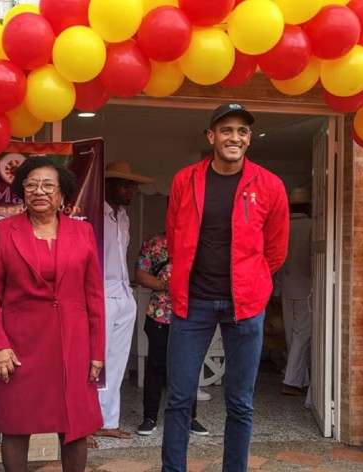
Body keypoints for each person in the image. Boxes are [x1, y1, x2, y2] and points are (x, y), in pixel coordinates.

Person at [163, 103, 289, 472]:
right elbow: (174, 237)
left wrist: (255, 285)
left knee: (240, 402)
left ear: (249, 139)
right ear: (211, 136)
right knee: (180, 398)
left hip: (245, 307)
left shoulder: (269, 185)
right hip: (193, 304)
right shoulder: (185, 180)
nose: (235, 137)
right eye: (227, 130)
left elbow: (276, 249)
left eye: (242, 131)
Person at [0, 156, 105, 471]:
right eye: (32, 185)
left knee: (74, 426)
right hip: (19, 347)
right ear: (23, 192)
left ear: (62, 194)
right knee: (16, 425)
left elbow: (94, 296)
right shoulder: (5, 231)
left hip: (72, 345)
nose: (40, 191)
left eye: (49, 185)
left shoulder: (83, 232)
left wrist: (97, 351)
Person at [96, 161, 154, 443]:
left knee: (117, 363)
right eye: (125, 184)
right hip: (99, 293)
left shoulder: (125, 217)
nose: (130, 189)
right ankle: (85, 423)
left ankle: (108, 421)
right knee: (94, 360)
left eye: (133, 185)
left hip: (123, 293)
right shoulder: (93, 214)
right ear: (107, 185)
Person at [135, 230, 208, 437]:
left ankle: (190, 417)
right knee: (156, 366)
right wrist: (168, 285)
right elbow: (140, 274)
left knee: (189, 367)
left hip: (191, 315)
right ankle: (149, 418)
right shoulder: (154, 243)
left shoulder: (199, 240)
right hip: (159, 313)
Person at [279, 187, 313, 397]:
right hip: (306, 288)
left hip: (285, 286)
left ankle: (300, 377)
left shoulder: (282, 226)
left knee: (293, 334)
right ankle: (291, 380)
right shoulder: (311, 225)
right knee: (304, 334)